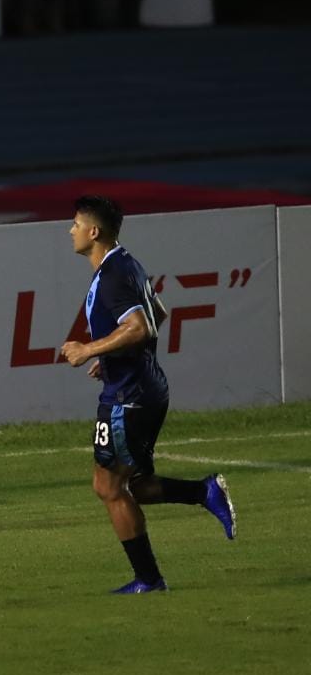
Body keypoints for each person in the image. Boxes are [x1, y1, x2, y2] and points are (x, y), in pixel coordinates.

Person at [61, 195, 236, 593]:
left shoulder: (112, 274)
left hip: (130, 396)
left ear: (94, 231)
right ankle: (203, 492)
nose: (69, 231)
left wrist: (90, 348)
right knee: (132, 485)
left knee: (108, 486)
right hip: (138, 387)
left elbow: (141, 326)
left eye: (74, 224)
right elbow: (158, 312)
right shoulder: (125, 264)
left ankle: (149, 580)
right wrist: (110, 355)